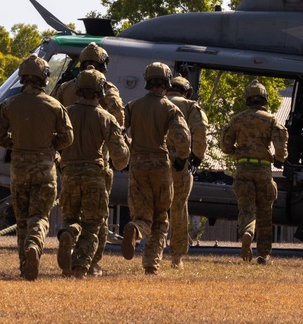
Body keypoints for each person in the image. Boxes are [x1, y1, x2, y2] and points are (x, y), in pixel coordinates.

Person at [0, 54, 73, 281]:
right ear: (44, 77)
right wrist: (50, 146)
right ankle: (35, 246)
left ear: (22, 77)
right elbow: (67, 138)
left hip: (19, 166)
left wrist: (14, 143)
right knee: (39, 215)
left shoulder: (8, 105)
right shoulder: (55, 105)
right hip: (45, 166)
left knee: (22, 218)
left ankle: (24, 265)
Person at [52, 42, 125, 276]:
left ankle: (68, 233)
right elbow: (118, 121)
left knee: (71, 215)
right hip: (97, 165)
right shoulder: (107, 94)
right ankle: (87, 263)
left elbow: (53, 118)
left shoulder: (64, 91)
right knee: (96, 220)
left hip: (68, 165)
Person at [121, 62, 190, 275]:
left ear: (147, 81)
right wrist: (181, 157)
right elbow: (183, 138)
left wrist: (126, 151)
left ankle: (136, 228)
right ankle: (151, 264)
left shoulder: (133, 106)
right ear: (167, 82)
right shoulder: (170, 108)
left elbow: (118, 130)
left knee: (143, 214)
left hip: (138, 164)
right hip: (160, 165)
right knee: (160, 217)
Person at [221, 79, 288, 265]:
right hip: (263, 170)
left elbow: (226, 147)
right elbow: (280, 147)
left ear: (247, 99)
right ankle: (264, 255)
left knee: (246, 209)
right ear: (264, 99)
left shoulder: (237, 120)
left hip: (243, 168)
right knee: (265, 212)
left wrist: (237, 152)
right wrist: (279, 160)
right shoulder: (271, 120)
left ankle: (248, 232)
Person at [165, 76, 208, 269]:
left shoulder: (157, 102)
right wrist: (197, 157)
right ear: (187, 92)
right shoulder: (190, 106)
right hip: (179, 163)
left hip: (154, 161)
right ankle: (176, 257)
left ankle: (151, 252)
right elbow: (200, 131)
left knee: (155, 206)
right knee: (178, 207)